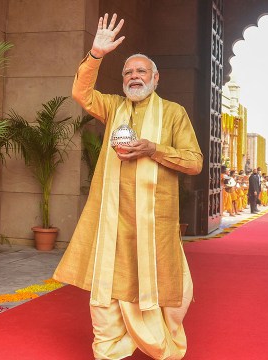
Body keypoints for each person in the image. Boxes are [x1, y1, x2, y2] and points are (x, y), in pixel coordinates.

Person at [53, 13, 203, 360]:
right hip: (113, 220)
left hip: (155, 222)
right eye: (128, 73)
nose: (134, 77)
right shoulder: (113, 106)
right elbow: (81, 92)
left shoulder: (173, 114)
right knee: (107, 287)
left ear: (155, 78)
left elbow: (194, 161)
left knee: (165, 288)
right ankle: (110, 350)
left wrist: (154, 149)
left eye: (141, 72)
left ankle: (160, 344)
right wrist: (96, 54)